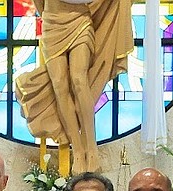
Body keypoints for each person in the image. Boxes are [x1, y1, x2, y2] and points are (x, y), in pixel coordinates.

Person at [14, 0, 132, 172]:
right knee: (60, 84)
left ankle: (91, 148)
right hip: (51, 22)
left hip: (80, 19)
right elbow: (39, 3)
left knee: (79, 79)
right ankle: (77, 150)